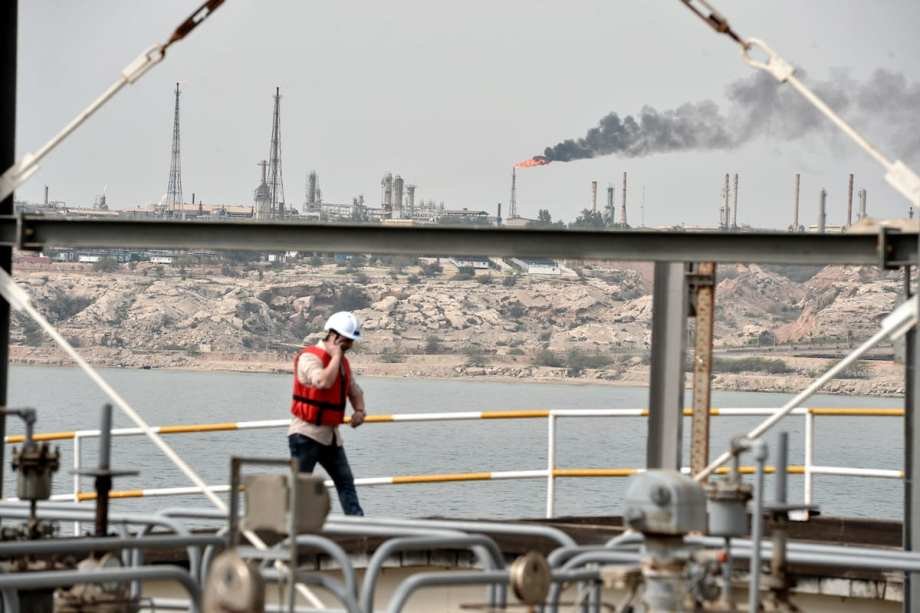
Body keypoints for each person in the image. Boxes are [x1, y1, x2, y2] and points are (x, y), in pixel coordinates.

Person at [288, 311, 366, 515]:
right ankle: (291, 528)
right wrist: (336, 356)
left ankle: (358, 525)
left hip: (331, 437)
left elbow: (354, 390)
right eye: (347, 340)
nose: (350, 345)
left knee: (345, 482)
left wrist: (359, 410)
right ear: (334, 336)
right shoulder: (309, 357)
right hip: (305, 435)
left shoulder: (343, 362)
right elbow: (323, 382)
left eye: (351, 341)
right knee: (300, 488)